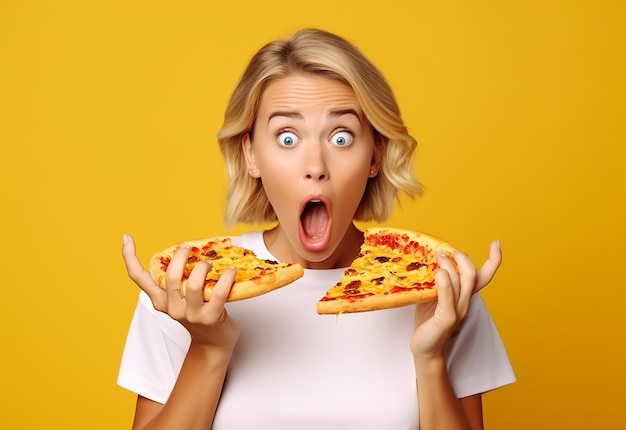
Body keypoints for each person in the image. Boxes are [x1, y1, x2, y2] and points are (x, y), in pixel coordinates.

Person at [118, 28, 515, 430]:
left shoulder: (439, 291)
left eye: (341, 137)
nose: (316, 166)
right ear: (252, 154)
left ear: (375, 155)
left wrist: (430, 359)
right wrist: (207, 349)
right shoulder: (186, 292)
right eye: (287, 138)